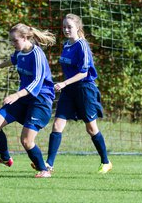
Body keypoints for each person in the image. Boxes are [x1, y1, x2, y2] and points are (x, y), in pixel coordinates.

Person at [35, 13, 112, 174]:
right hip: (69, 91)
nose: (66, 29)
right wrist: (65, 85)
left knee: (91, 128)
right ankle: (49, 164)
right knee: (57, 125)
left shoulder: (82, 45)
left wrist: (63, 83)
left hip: (85, 89)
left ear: (78, 27)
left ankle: (106, 161)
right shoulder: (66, 44)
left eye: (69, 26)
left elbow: (83, 73)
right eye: (64, 27)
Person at [0, 23, 56, 178]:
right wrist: (0, 65)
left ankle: (44, 170)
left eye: (15, 40)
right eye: (11, 41)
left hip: (40, 100)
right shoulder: (20, 52)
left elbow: (37, 82)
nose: (12, 44)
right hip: (25, 98)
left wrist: (16, 95)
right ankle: (5, 158)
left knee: (26, 140)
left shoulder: (37, 54)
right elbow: (14, 59)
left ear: (25, 38)